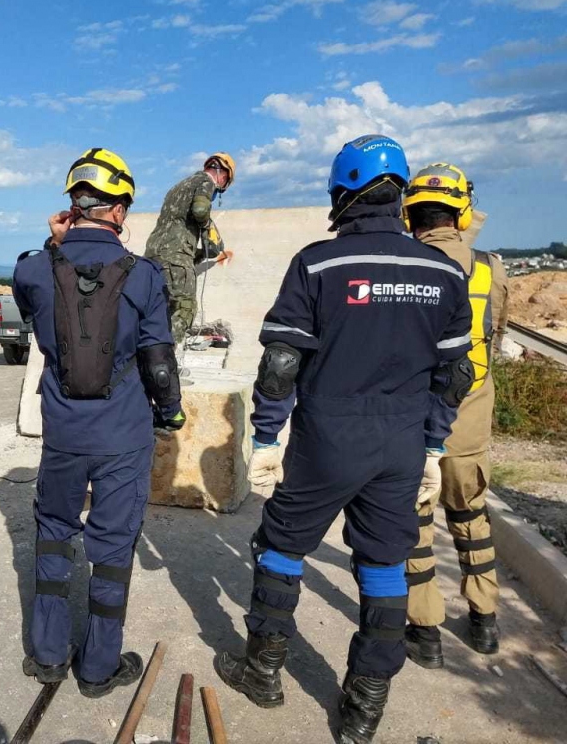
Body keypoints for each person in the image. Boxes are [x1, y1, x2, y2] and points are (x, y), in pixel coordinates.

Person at [214, 135, 473, 744]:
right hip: (402, 442)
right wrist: (434, 446)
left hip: (328, 435)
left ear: (344, 191)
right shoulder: (442, 271)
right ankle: (364, 705)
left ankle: (264, 671)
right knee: (384, 564)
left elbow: (281, 362)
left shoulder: (320, 263)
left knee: (281, 547)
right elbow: (454, 374)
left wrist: (268, 437)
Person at [13, 148, 185, 698]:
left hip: (63, 432)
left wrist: (54, 243)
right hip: (123, 434)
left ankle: (46, 656)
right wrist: (171, 412)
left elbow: (30, 296)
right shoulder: (145, 275)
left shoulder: (34, 268)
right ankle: (97, 667)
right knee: (111, 546)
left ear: (71, 204)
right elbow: (158, 359)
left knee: (53, 535)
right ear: (117, 210)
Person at [401, 163, 508, 667]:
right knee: (470, 513)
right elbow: (496, 332)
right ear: (463, 212)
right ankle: (484, 620)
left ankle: (426, 632)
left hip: (414, 413)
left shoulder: (403, 263)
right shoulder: (490, 266)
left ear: (408, 214)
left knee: (417, 520)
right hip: (470, 413)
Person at [144, 152, 235, 347]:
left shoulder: (178, 187)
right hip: (176, 257)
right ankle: (166, 361)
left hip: (152, 255)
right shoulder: (206, 182)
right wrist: (207, 229)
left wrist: (201, 254)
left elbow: (177, 225)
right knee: (185, 309)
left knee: (157, 312)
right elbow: (200, 211)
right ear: (223, 175)